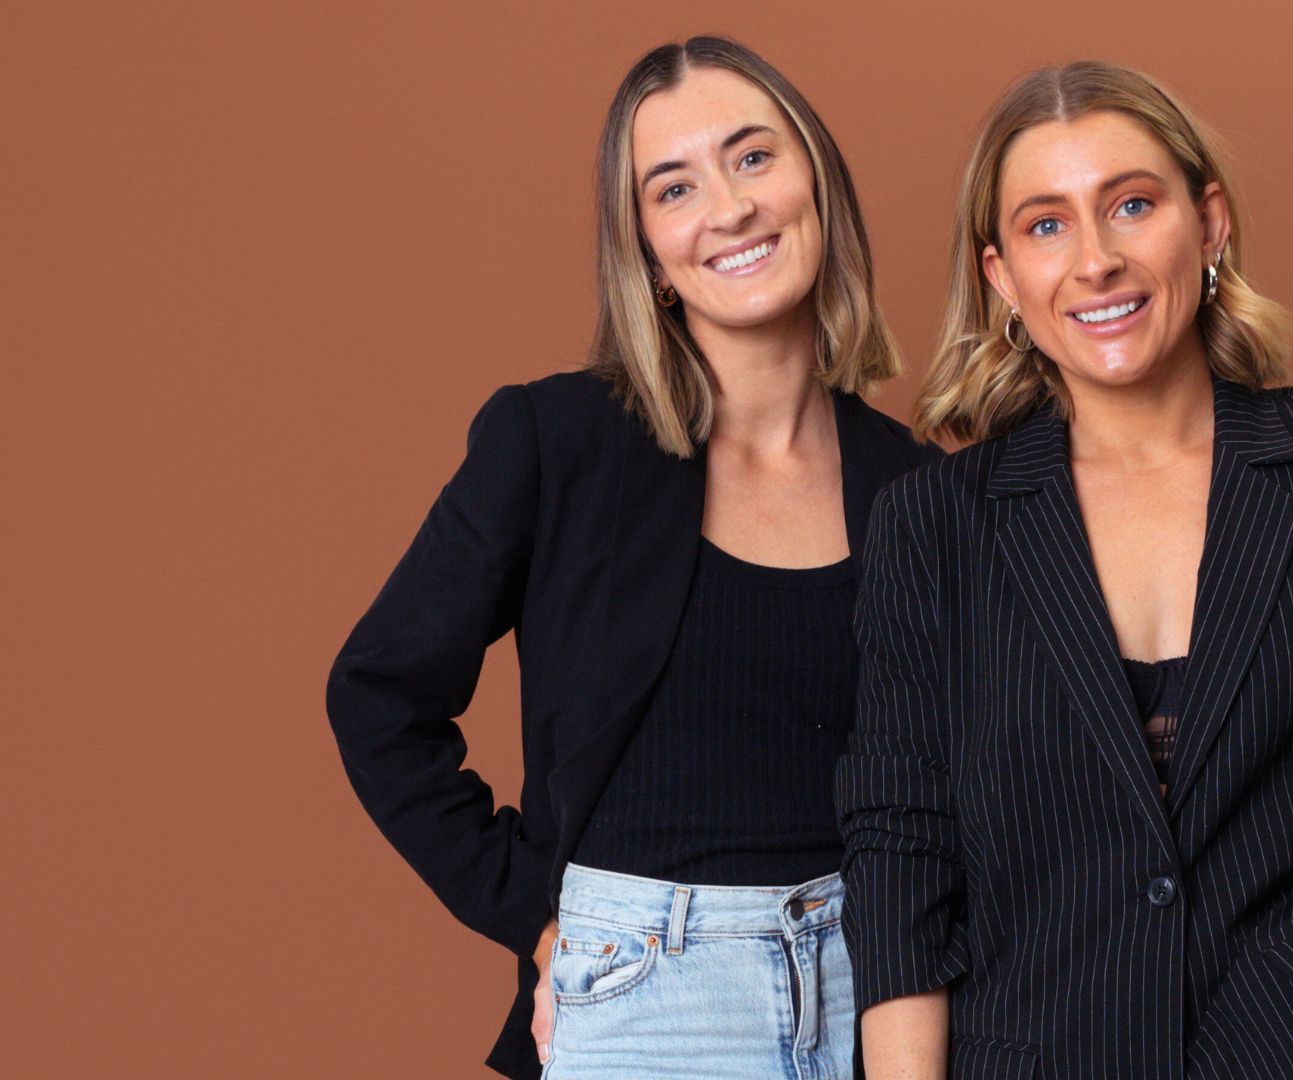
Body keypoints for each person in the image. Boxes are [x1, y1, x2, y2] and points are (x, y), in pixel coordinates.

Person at [837, 60, 1293, 1080]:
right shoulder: (933, 526)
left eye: (1131, 205)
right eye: (1046, 225)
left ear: (1208, 222)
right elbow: (901, 857)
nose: (1096, 260)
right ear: (1001, 278)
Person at [327, 36, 936, 1080]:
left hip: (873, 996)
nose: (730, 208)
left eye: (753, 158)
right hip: (649, 998)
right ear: (647, 249)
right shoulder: (556, 442)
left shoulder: (917, 487)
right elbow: (377, 696)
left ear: (817, 183)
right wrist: (536, 914)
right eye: (675, 187)